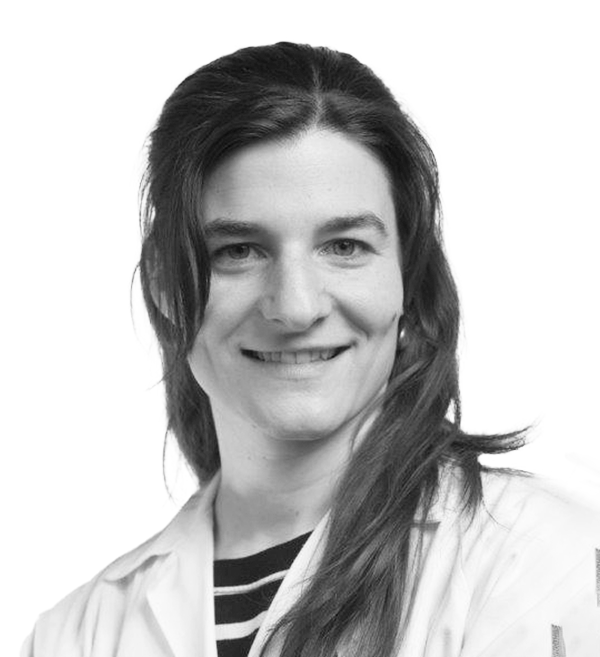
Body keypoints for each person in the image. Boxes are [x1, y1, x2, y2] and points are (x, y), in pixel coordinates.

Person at [22, 42, 600, 657]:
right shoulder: (71, 636)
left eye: (345, 246)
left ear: (408, 277)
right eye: (238, 251)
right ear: (167, 286)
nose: (296, 307)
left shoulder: (538, 559)